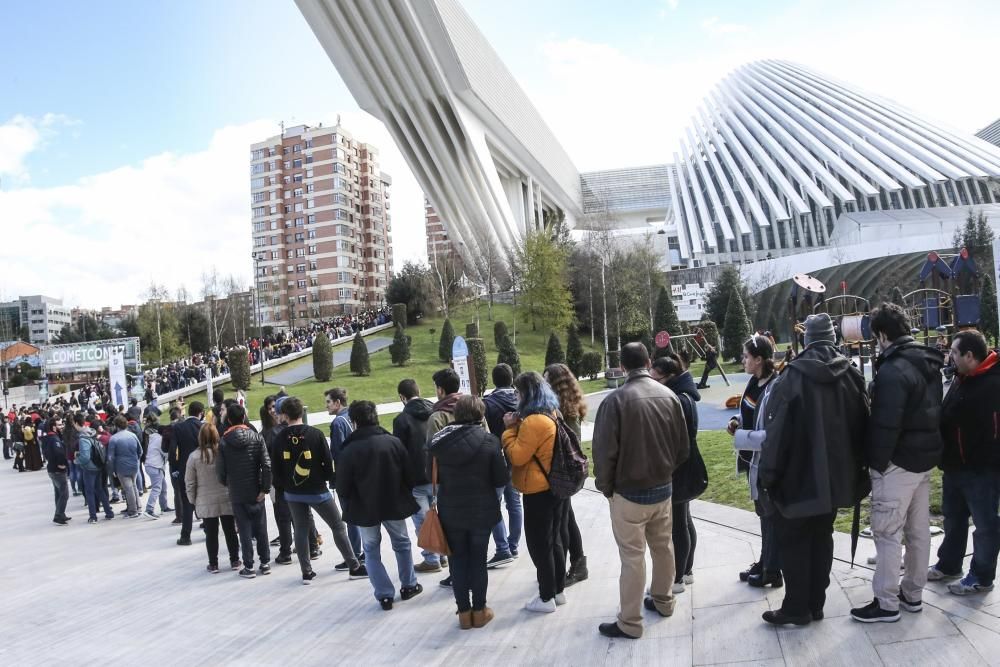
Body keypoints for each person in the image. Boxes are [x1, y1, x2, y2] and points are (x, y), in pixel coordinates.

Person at [759, 313, 869, 626]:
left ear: (807, 339)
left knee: (794, 541)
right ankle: (815, 604)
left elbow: (776, 434)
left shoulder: (791, 376)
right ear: (833, 338)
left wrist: (769, 475)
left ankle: (797, 607)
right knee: (822, 536)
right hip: (836, 478)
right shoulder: (851, 373)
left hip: (798, 477)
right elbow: (864, 422)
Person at [850, 303, 944, 623]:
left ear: (881, 334)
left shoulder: (893, 370)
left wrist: (876, 463)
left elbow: (885, 424)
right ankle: (912, 594)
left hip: (897, 463)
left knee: (887, 532)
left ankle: (887, 602)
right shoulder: (926, 362)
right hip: (922, 461)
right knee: (918, 531)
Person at [592, 343, 690, 639]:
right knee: (663, 547)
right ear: (648, 362)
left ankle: (630, 622)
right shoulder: (670, 395)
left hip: (629, 493)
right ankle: (664, 600)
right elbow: (682, 447)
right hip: (662, 488)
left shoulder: (616, 401)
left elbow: (603, 453)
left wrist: (607, 488)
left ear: (622, 367)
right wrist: (665, 471)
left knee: (633, 558)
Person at [429, 395, 508, 629]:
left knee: (458, 562)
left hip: (450, 511)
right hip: (482, 510)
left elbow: (431, 476)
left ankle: (464, 613)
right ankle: (480, 610)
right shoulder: (490, 441)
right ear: (481, 415)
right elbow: (501, 478)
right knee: (478, 560)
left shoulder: (438, 443)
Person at [335, 400, 422, 610]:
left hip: (364, 508)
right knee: (401, 544)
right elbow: (409, 476)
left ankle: (384, 595)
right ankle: (409, 585)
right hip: (394, 503)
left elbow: (342, 486)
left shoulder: (349, 449)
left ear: (354, 422)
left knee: (371, 550)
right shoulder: (393, 442)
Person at [272, 396, 368, 584]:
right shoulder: (315, 434)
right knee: (338, 526)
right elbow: (327, 461)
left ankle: (306, 572)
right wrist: (328, 480)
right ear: (302, 413)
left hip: (292, 492)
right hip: (317, 490)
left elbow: (276, 467)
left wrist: (283, 486)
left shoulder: (279, 438)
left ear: (285, 415)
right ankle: (354, 566)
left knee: (300, 529)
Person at [933, 329, 1000, 595]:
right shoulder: (963, 377)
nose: (949, 357)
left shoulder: (993, 384)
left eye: (953, 353)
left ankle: (981, 576)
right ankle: (949, 564)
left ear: (969, 355)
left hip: (982, 471)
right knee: (953, 519)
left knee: (985, 526)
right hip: (954, 467)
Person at [502, 371, 568, 615]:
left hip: (538, 490)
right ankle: (558, 591)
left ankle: (546, 596)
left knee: (540, 545)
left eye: (518, 392)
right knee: (555, 541)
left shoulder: (533, 421)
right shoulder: (552, 413)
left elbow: (518, 456)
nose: (516, 397)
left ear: (527, 393)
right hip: (555, 487)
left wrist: (509, 430)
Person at [651, 352, 708, 593]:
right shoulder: (684, 396)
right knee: (684, 519)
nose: (653, 383)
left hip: (680, 468)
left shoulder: (678, 399)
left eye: (657, 379)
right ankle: (686, 571)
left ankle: (677, 578)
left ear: (670, 377)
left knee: (677, 525)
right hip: (685, 465)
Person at [729, 335, 781, 587]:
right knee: (763, 514)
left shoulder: (775, 386)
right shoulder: (755, 381)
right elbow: (748, 412)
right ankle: (765, 562)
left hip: (768, 463)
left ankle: (773, 570)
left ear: (759, 359)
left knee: (771, 516)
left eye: (746, 356)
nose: (743, 360)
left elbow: (773, 434)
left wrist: (740, 436)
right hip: (755, 462)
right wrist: (737, 422)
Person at [543, 363, 589, 586]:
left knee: (564, 521)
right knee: (567, 518)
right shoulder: (567, 405)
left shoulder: (565, 411)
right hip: (565, 472)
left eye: (546, 379)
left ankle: (576, 564)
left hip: (563, 472)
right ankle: (576, 563)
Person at [217, 403, 272, 579]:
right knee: (261, 527)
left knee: (244, 529)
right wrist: (265, 488)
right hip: (256, 489)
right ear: (243, 417)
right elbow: (266, 465)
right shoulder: (256, 437)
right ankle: (265, 562)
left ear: (229, 419)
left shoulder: (224, 441)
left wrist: (228, 483)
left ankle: (249, 565)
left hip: (237, 491)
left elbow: (221, 470)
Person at [391, 379, 440, 573]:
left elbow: (399, 452)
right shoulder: (435, 412)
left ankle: (431, 557)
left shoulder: (401, 420)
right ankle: (442, 553)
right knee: (438, 517)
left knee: (422, 520)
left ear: (402, 397)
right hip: (437, 474)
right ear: (419, 391)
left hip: (415, 478)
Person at [186, 423, 241, 573]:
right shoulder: (223, 452)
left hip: (205, 500)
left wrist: (193, 500)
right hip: (225, 497)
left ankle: (214, 563)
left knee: (211, 533)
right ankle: (235, 560)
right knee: (230, 530)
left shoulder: (194, 457)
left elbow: (190, 482)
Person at [483, 363, 522, 568]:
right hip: (517, 456)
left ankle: (502, 549)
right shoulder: (521, 399)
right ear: (512, 378)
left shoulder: (488, 403)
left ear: (493, 380)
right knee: (514, 503)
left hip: (497, 458)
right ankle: (513, 544)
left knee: (493, 504)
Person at [326, 387, 364, 569]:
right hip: (360, 471)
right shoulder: (352, 416)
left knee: (349, 515)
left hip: (346, 475)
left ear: (337, 402)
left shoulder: (338, 423)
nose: (326, 405)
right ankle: (361, 550)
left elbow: (338, 453)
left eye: (328, 402)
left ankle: (355, 553)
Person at [172, 402, 205, 545]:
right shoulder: (204, 427)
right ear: (201, 412)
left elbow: (173, 450)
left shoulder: (178, 427)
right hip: (203, 468)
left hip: (185, 469)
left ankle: (186, 536)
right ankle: (209, 530)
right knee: (205, 500)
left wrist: (175, 469)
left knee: (187, 503)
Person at [76, 413, 114, 523]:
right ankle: (109, 512)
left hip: (89, 468)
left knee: (89, 492)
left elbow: (85, 457)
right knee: (100, 489)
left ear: (76, 423)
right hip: (98, 465)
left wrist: (77, 459)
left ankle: (93, 516)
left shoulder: (83, 438)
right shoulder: (92, 432)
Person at [107, 415, 142, 518]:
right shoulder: (132, 435)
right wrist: (136, 460)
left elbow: (110, 457)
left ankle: (133, 511)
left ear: (116, 426)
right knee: (134, 486)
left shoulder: (114, 439)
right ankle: (138, 507)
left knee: (128, 488)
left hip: (121, 466)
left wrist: (112, 469)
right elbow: (140, 451)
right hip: (134, 464)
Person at [41, 417, 71, 525]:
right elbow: (59, 453)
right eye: (59, 425)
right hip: (57, 470)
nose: (61, 426)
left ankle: (60, 513)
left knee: (58, 493)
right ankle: (58, 515)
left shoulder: (47, 438)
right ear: (53, 427)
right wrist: (62, 464)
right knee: (64, 494)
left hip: (52, 469)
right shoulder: (54, 439)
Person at [143, 415, 171, 518]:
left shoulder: (153, 437)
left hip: (150, 465)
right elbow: (165, 453)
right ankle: (149, 509)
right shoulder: (160, 440)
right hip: (155, 466)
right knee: (157, 488)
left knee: (163, 486)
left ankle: (164, 506)